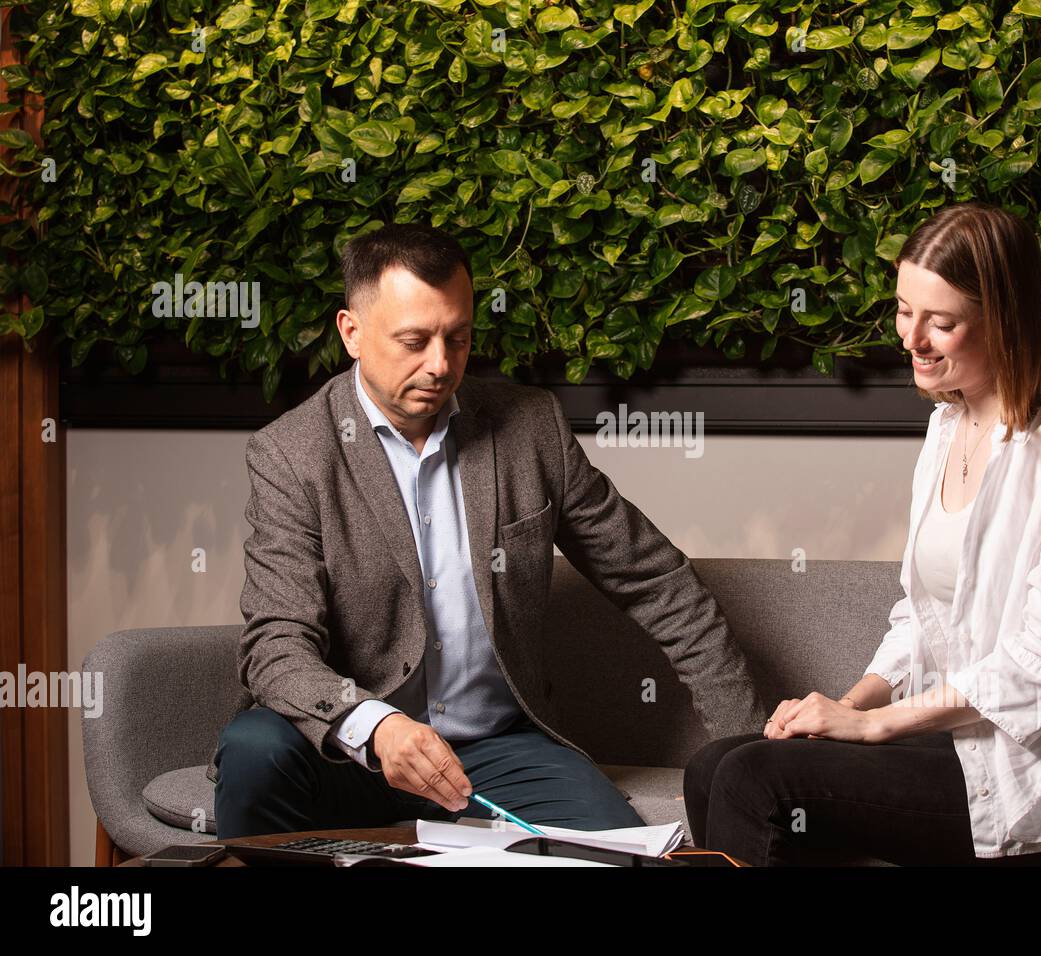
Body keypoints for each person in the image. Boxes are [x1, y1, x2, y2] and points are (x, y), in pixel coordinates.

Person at [212, 222, 767, 838]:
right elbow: (276, 646)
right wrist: (375, 725)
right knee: (255, 750)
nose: (440, 364)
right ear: (352, 332)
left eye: (458, 337)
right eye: (414, 341)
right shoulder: (291, 453)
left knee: (615, 854)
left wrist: (748, 754)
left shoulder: (531, 429)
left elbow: (657, 580)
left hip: (495, 753)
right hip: (343, 752)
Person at [684, 201, 1041, 865]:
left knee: (752, 781)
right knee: (714, 766)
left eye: (941, 322)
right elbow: (923, 621)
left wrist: (873, 725)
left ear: (1005, 321)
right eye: (905, 310)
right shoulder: (946, 427)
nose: (911, 338)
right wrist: (844, 709)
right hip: (963, 742)